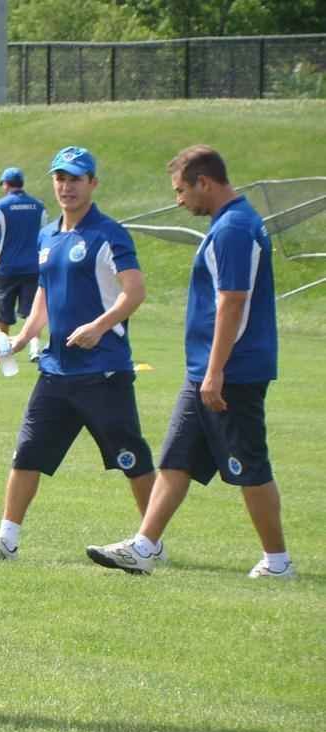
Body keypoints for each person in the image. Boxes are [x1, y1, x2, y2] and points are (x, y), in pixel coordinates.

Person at [87, 146, 296, 579]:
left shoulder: (234, 228)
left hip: (231, 372)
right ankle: (144, 547)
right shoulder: (228, 223)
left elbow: (233, 303)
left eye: (182, 190)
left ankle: (278, 563)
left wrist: (216, 371)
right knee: (176, 458)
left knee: (249, 466)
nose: (179, 200)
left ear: (205, 182)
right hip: (205, 370)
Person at [0, 146, 155, 562]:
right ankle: (6, 539)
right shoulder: (47, 235)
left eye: (75, 179)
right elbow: (44, 297)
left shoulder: (109, 233)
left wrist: (98, 326)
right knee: (27, 452)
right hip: (56, 371)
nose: (67, 187)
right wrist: (20, 339)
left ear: (93, 183)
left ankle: (151, 541)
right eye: (60, 178)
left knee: (131, 457)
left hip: (104, 371)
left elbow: (135, 291)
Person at [0, 166, 49, 362]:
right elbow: (45, 235)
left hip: (8, 268)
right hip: (33, 267)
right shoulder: (38, 206)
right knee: (33, 311)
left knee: (3, 313)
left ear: (6, 184)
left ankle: (1, 352)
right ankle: (35, 350)